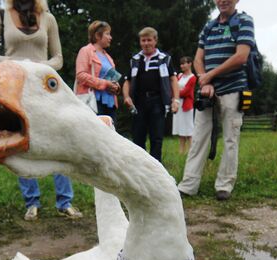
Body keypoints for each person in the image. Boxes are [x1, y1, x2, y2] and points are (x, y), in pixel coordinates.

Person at [0, 0, 82, 221]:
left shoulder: (48, 18)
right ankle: (32, 202)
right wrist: (13, 63)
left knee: (58, 142)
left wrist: (38, 68)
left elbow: (58, 58)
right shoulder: (0, 15)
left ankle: (65, 201)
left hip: (44, 88)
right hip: (15, 88)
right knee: (21, 141)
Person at [177, 0, 255, 201]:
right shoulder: (209, 26)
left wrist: (209, 77)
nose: (223, 1)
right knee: (199, 137)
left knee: (230, 138)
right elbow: (197, 59)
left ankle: (224, 185)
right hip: (207, 92)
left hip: (233, 89)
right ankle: (188, 184)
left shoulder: (244, 21)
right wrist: (204, 82)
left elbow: (241, 57)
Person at [122, 27, 180, 163]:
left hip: (158, 101)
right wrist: (126, 97)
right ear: (140, 42)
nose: (146, 43)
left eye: (149, 40)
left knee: (157, 137)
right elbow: (127, 81)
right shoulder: (135, 60)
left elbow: (173, 79)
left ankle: (156, 168)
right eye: (143, 40)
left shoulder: (165, 59)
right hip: (139, 102)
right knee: (138, 137)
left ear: (155, 41)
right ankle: (139, 166)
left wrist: (175, 100)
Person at [75, 21, 121, 123]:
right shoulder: (85, 51)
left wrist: (116, 87)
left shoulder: (108, 57)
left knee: (111, 135)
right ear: (97, 35)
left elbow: (113, 78)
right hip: (94, 102)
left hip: (110, 103)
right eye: (107, 34)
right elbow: (81, 75)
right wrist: (105, 84)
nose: (110, 37)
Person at [173, 56, 197, 155]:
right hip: (178, 104)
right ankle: (181, 151)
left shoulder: (192, 77)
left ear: (190, 64)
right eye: (181, 63)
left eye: (184, 63)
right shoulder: (179, 76)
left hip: (186, 105)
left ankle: (192, 150)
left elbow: (186, 92)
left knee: (188, 129)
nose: (181, 65)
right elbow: (174, 88)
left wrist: (176, 92)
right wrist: (176, 93)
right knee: (181, 129)